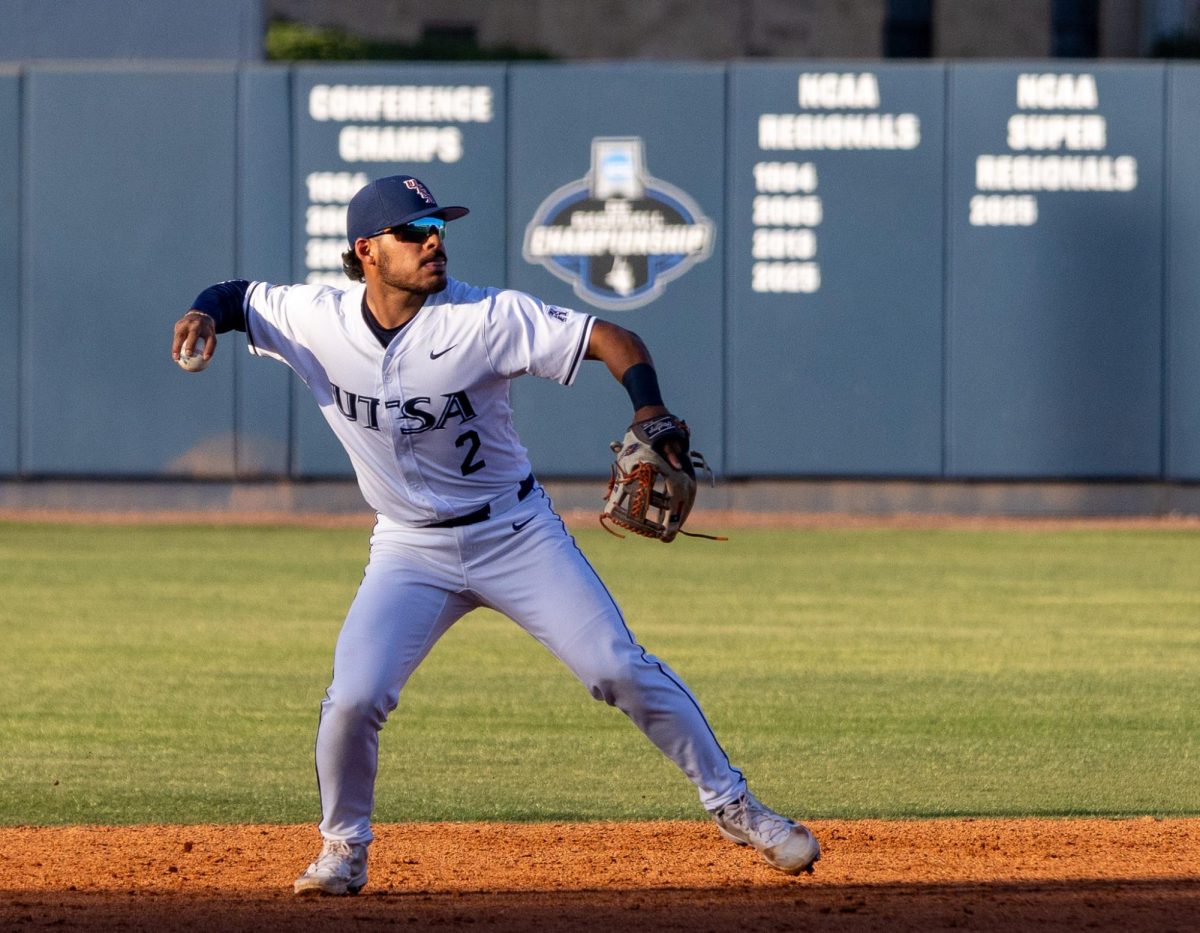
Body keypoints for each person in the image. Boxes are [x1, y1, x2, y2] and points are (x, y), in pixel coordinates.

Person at [170, 174, 820, 895]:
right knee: (354, 696)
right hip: (407, 550)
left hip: (514, 532)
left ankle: (736, 805)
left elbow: (613, 337)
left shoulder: (483, 317)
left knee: (617, 668)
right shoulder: (314, 316)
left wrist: (650, 408)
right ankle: (343, 846)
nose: (432, 241)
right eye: (413, 231)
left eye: (437, 227)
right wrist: (201, 314)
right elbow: (236, 296)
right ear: (366, 251)